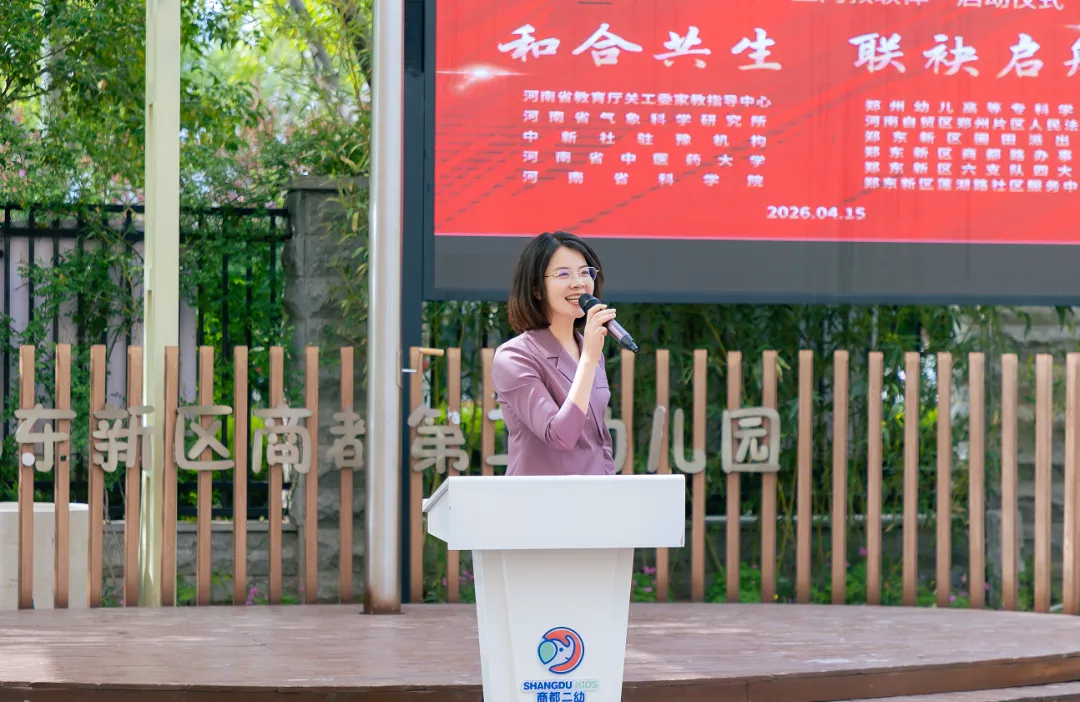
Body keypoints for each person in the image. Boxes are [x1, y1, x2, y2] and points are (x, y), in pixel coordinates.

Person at [491, 230, 619, 476]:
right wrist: (588, 360)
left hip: (594, 496)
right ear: (537, 289)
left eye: (585, 272)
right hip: (540, 497)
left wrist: (609, 486)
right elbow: (560, 435)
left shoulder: (589, 351)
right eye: (563, 274)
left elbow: (599, 441)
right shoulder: (513, 357)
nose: (578, 282)